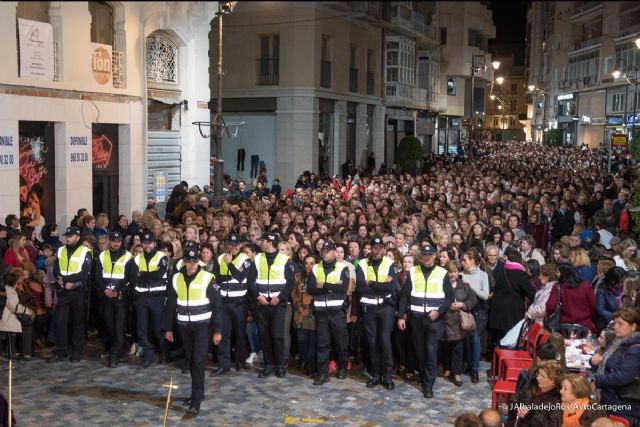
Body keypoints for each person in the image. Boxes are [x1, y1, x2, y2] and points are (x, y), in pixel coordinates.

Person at [165, 246, 222, 417]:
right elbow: (170, 306)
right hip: (184, 327)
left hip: (202, 327)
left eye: (194, 262)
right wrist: (168, 328)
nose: (192, 265)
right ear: (184, 262)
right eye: (189, 262)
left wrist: (218, 330)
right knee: (191, 362)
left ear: (198, 262)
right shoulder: (176, 278)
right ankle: (198, 393)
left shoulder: (207, 278)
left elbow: (217, 306)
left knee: (198, 362)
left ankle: (196, 401)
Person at [398, 244, 453, 398]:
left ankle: (428, 384)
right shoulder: (413, 272)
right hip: (416, 318)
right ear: (420, 256)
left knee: (431, 351)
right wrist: (401, 316)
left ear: (434, 256)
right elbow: (404, 296)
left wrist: (438, 311)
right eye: (424, 254)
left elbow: (449, 298)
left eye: (430, 254)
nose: (427, 257)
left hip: (434, 319)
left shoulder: (442, 273)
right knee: (420, 351)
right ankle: (424, 376)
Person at [247, 232, 296, 378]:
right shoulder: (257, 258)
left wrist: (279, 298)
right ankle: (268, 365)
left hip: (278, 304)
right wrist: (257, 296)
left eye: (263, 241)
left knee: (277, 335)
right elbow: (250, 281)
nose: (260, 243)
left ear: (269, 243)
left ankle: (280, 365)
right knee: (264, 335)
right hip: (261, 303)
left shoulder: (284, 259)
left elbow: (290, 283)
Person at [356, 237, 399, 390]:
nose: (378, 250)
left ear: (383, 248)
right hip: (369, 308)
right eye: (375, 247)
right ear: (371, 248)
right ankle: (375, 375)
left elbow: (392, 286)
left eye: (380, 247)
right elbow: (360, 287)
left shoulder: (390, 263)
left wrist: (372, 283)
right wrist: (381, 285)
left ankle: (387, 377)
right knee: (372, 342)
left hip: (385, 308)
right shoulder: (361, 264)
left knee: (385, 341)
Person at [307, 241, 350, 385]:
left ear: (334, 252)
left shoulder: (342, 267)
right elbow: (311, 289)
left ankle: (342, 368)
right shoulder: (315, 268)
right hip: (320, 312)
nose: (325, 253)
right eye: (323, 250)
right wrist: (331, 287)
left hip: (337, 311)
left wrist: (323, 285)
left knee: (341, 342)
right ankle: (322, 373)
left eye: (328, 250)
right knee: (322, 344)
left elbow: (343, 288)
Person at [48, 226, 92, 363]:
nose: (68, 238)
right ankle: (62, 351)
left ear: (78, 237)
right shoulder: (61, 250)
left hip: (77, 291)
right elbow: (56, 269)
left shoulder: (86, 251)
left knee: (77, 323)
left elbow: (84, 273)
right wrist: (60, 279)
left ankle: (77, 351)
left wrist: (67, 280)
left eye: (71, 236)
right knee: (61, 322)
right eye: (67, 236)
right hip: (63, 291)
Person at [211, 233, 252, 376]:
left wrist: (230, 265)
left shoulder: (246, 260)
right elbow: (216, 278)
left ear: (240, 245)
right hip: (223, 301)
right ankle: (224, 365)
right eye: (231, 245)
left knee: (240, 333)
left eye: (236, 245)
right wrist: (230, 274)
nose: (233, 247)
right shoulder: (220, 258)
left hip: (239, 302)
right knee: (223, 333)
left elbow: (240, 278)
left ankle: (240, 362)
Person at [591, 308, 640, 425]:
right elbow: (604, 363)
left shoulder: (636, 348)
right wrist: (593, 362)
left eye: (620, 324)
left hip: (622, 405)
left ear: (633, 327)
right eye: (615, 323)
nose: (616, 327)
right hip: (608, 397)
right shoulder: (618, 342)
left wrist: (597, 381)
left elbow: (623, 376)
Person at [128, 229, 169, 369]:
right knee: (143, 328)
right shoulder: (137, 259)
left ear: (154, 243)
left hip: (157, 298)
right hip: (142, 298)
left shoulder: (161, 257)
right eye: (144, 243)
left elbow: (159, 275)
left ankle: (165, 354)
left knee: (159, 329)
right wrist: (149, 274)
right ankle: (148, 357)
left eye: (149, 243)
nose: (147, 246)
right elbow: (133, 277)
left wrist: (143, 274)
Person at [95, 231, 132, 367]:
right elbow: (97, 276)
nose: (116, 243)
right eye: (114, 241)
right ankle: (119, 347)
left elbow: (128, 277)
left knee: (119, 325)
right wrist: (105, 290)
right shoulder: (102, 256)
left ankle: (114, 355)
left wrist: (116, 291)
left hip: (120, 296)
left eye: (119, 241)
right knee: (109, 324)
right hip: (106, 295)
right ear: (109, 241)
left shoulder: (128, 256)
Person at [441, 260, 477, 387]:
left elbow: (473, 300)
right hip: (445, 320)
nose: (452, 275)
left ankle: (456, 373)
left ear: (458, 272)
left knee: (458, 348)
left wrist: (463, 304)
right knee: (445, 346)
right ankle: (447, 368)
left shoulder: (464, 285)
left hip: (459, 321)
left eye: (454, 272)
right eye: (450, 272)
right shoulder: (441, 284)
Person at [462, 248, 490, 384]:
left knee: (475, 339)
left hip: (479, 311)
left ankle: (475, 369)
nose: (463, 262)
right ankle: (467, 364)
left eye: (465, 260)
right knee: (466, 339)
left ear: (472, 261)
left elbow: (485, 295)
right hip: (465, 310)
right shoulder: (462, 274)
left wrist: (470, 286)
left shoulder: (482, 275)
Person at [509, 359, 564, 427]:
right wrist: (518, 407)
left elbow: (552, 425)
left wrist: (529, 414)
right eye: (538, 374)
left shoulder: (557, 400)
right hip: (514, 421)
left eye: (542, 376)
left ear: (553, 381)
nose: (538, 378)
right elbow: (514, 397)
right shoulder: (532, 384)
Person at [545, 262, 597, 334]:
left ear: (563, 273)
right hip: (585, 325)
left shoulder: (557, 287)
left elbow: (550, 306)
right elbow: (593, 305)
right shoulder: (585, 286)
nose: (556, 274)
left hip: (564, 328)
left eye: (558, 272)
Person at [596, 266, 626, 331]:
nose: (623, 283)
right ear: (613, 281)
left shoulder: (624, 288)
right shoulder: (602, 290)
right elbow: (600, 309)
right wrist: (615, 316)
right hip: (607, 324)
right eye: (621, 281)